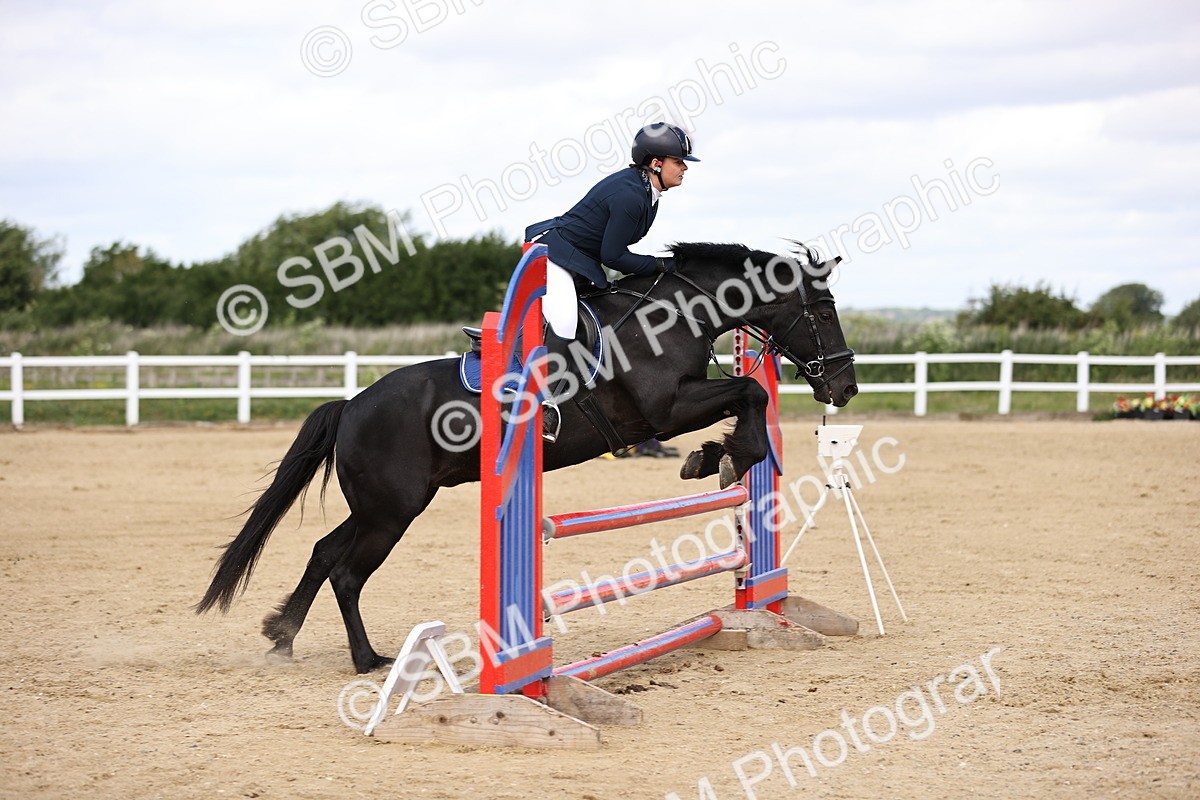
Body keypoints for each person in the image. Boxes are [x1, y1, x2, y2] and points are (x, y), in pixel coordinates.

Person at [525, 122, 700, 442]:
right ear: (656, 163)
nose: (685, 168)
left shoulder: (649, 192)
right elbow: (614, 256)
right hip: (555, 260)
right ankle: (543, 406)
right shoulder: (630, 194)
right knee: (564, 323)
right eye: (679, 161)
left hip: (580, 263)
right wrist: (661, 264)